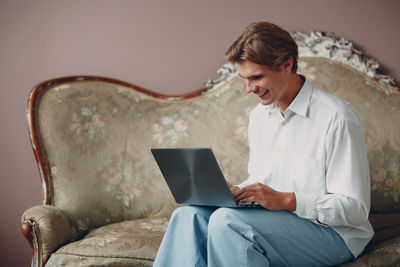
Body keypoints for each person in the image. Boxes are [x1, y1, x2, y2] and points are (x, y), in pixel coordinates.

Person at [153, 22, 374, 267]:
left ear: (287, 65)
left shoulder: (337, 116)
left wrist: (289, 200)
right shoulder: (259, 117)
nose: (249, 89)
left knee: (228, 222)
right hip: (276, 220)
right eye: (244, 79)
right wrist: (236, 192)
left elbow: (355, 209)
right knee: (187, 216)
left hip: (336, 234)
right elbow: (264, 179)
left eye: (257, 77)